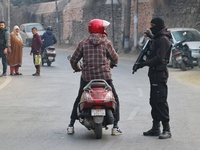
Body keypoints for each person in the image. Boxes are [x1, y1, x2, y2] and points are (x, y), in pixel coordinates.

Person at [67, 19, 122, 136]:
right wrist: (110, 65)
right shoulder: (106, 42)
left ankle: (71, 125)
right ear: (100, 29)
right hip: (105, 78)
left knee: (79, 99)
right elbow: (115, 59)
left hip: (87, 78)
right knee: (115, 99)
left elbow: (73, 59)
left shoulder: (83, 43)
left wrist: (76, 68)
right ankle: (115, 127)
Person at [136, 17, 172, 139]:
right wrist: (151, 37)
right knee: (154, 101)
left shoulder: (164, 40)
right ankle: (155, 128)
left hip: (160, 75)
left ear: (158, 26)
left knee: (160, 102)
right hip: (154, 75)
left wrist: (144, 64)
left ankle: (167, 129)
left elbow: (159, 58)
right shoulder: (158, 38)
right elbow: (154, 46)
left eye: (153, 26)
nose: (151, 28)